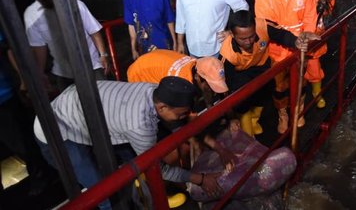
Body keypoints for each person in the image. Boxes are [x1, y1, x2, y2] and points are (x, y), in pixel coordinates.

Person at [34, 77, 223, 209]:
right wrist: (201, 179)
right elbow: (158, 168)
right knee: (104, 193)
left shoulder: (153, 90)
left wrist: (216, 147)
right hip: (56, 130)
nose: (183, 117)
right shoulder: (139, 124)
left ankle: (150, 198)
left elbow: (179, 127)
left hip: (79, 107)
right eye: (180, 114)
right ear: (162, 107)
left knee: (133, 158)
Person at [220, 10, 320, 136]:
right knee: (241, 101)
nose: (249, 42)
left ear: (255, 27)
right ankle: (248, 132)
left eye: (252, 36)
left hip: (261, 65)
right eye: (243, 39)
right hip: (240, 73)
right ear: (232, 35)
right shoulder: (227, 54)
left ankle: (254, 119)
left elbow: (282, 35)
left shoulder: (263, 25)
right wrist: (231, 116)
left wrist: (297, 42)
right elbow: (226, 86)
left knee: (267, 90)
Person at [255, 0, 317, 133]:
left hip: (301, 47)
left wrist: (306, 38)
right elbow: (268, 28)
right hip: (277, 50)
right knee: (279, 86)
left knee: (301, 81)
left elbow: (310, 17)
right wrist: (291, 39)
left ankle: (298, 109)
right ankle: (283, 114)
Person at [24, 0, 110, 93]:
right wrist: (40, 73)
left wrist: (103, 55)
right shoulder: (31, 15)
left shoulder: (74, 4)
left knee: (105, 97)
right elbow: (39, 47)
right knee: (70, 107)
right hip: (63, 71)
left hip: (91, 65)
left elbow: (93, 31)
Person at [0, 30, 54, 195]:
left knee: (22, 140)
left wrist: (24, 81)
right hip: (6, 94)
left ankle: (44, 173)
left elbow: (10, 49)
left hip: (5, 95)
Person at [288, 0, 334, 110]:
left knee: (314, 68)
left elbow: (328, 10)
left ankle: (317, 93)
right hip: (296, 36)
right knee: (296, 71)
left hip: (313, 34)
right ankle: (298, 101)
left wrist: (327, 3)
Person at [127, 49, 228, 108]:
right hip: (139, 72)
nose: (213, 91)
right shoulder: (181, 84)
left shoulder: (198, 65)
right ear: (197, 77)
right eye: (210, 85)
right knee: (155, 108)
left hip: (154, 60)